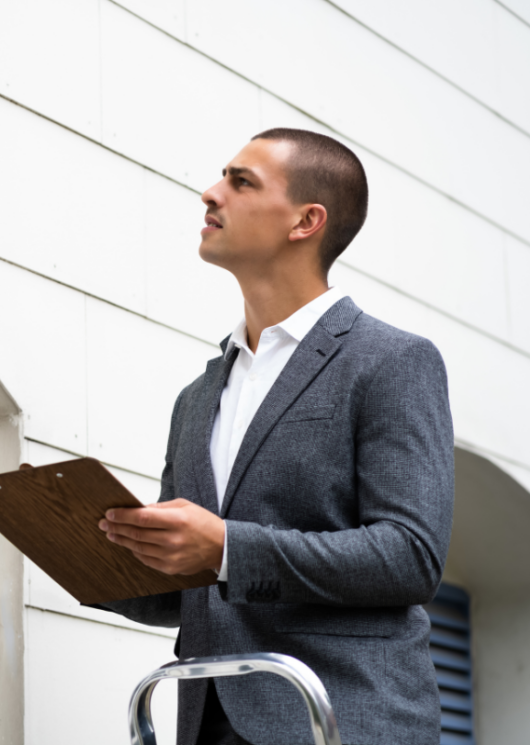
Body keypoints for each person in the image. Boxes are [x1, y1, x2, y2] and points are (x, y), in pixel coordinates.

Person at [95, 129, 453, 745]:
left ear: (305, 221)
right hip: (206, 719)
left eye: (241, 182)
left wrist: (227, 547)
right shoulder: (198, 397)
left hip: (340, 719)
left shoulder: (392, 361)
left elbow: (409, 556)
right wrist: (91, 556)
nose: (210, 195)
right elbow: (192, 589)